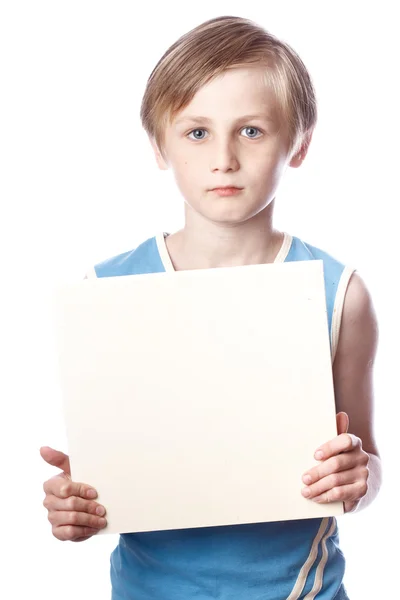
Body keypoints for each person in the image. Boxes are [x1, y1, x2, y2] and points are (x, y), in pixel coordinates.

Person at [40, 15, 382, 600]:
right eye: (197, 132)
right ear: (159, 145)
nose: (223, 158)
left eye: (251, 131)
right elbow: (112, 478)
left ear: (298, 143)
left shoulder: (338, 292)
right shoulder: (107, 290)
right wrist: (78, 506)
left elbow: (366, 468)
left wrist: (358, 475)